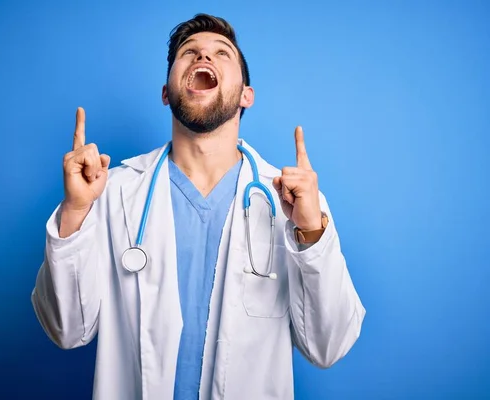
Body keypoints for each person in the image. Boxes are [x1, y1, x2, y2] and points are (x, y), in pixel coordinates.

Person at [31, 13, 365, 400]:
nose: (203, 58)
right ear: (166, 91)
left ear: (246, 95)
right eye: (189, 53)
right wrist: (74, 212)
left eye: (222, 54)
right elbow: (67, 330)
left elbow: (329, 347)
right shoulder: (111, 192)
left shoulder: (294, 203)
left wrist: (311, 234)